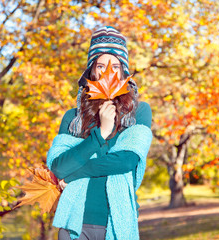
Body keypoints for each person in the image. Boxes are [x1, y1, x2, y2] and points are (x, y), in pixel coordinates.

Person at [46, 26, 153, 240]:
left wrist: (75, 173)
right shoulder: (73, 117)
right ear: (91, 71)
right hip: (74, 224)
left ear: (124, 72)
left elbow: (127, 160)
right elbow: (59, 166)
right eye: (100, 66)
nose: (107, 73)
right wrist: (101, 133)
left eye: (115, 66)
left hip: (116, 222)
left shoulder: (139, 112)